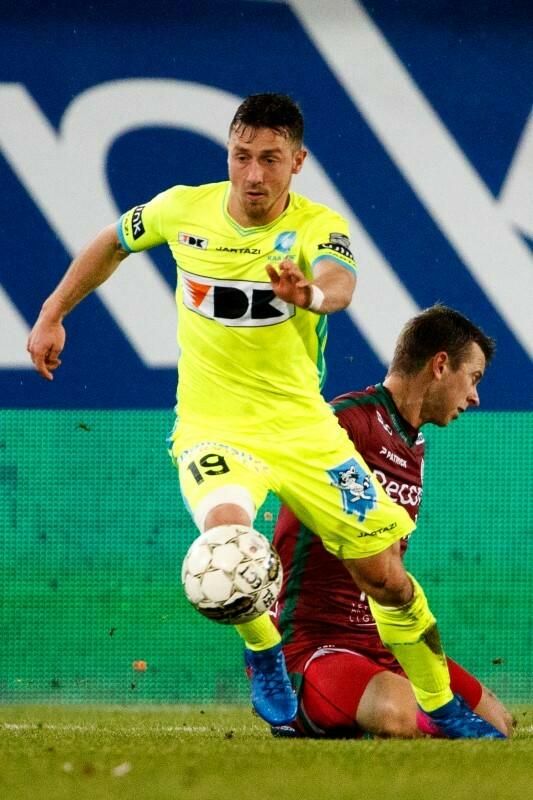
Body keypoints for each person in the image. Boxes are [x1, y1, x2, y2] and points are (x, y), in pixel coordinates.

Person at [27, 93, 503, 738]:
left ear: (297, 162)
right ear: (229, 153)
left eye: (271, 159)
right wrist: (53, 312)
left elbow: (339, 282)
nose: (253, 174)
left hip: (304, 431)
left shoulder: (316, 226)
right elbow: (112, 242)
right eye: (242, 156)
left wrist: (310, 294)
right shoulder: (181, 209)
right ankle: (264, 651)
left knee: (388, 580)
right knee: (228, 540)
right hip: (214, 427)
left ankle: (442, 705)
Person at [271, 305, 513, 739]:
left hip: (383, 642)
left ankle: (349, 713)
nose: (475, 397)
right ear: (440, 365)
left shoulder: (414, 445)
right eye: (473, 378)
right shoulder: (347, 422)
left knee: (497, 722)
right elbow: (286, 479)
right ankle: (298, 706)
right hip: (316, 641)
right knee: (397, 713)